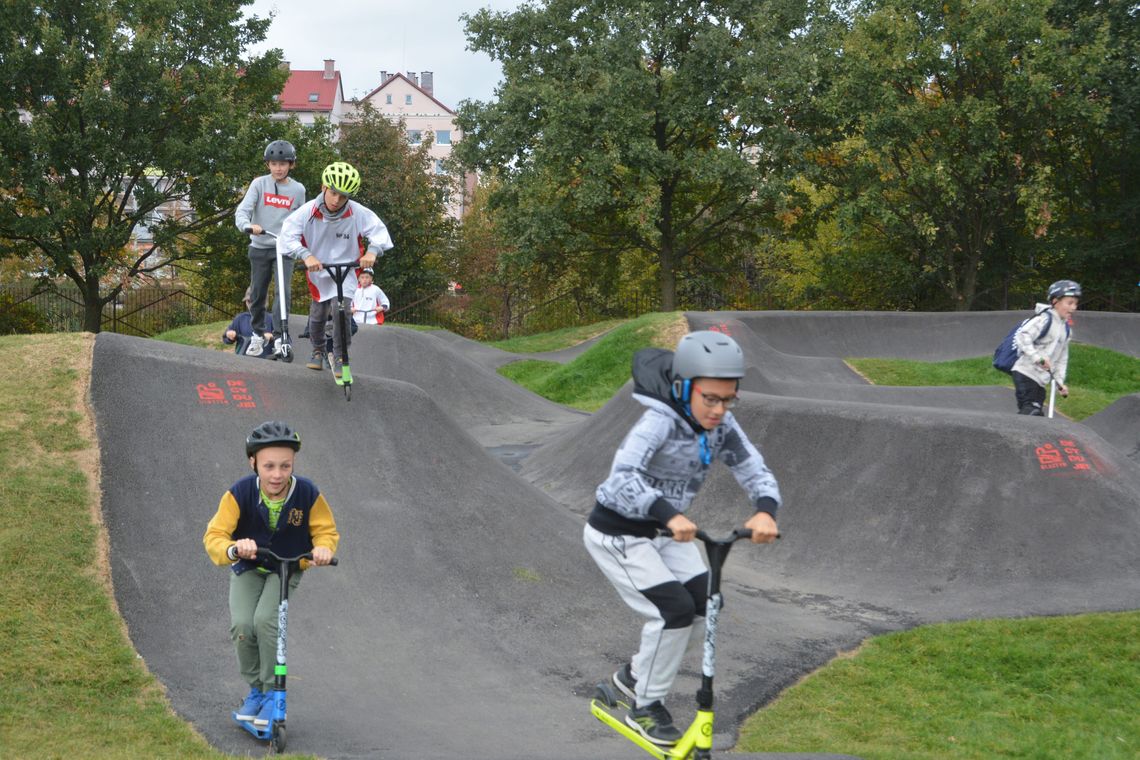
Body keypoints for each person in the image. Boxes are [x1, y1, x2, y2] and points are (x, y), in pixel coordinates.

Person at [583, 331, 781, 746]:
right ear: (682, 387)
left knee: (706, 605)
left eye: (729, 400)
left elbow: (752, 465)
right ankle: (645, 706)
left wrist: (765, 508)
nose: (719, 409)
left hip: (665, 533)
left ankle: (631, 678)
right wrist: (668, 514)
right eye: (710, 398)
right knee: (672, 610)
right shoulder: (658, 422)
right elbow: (622, 476)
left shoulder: (721, 425)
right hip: (619, 533)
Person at [203, 421, 339, 728]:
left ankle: (272, 693)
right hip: (248, 567)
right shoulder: (238, 493)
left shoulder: (307, 493)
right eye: (268, 466)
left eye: (285, 466)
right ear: (253, 463)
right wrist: (235, 548)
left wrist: (323, 549)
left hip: (286, 566)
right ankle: (256, 690)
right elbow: (215, 536)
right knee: (242, 625)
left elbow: (325, 530)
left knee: (265, 621)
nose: (277, 474)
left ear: (293, 464)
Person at [277, 161, 394, 377]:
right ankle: (318, 350)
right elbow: (287, 236)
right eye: (333, 193)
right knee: (319, 313)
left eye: (343, 196)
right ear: (323, 188)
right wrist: (305, 255)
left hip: (347, 270)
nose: (337, 200)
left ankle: (341, 355)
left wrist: (372, 252)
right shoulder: (307, 212)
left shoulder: (357, 212)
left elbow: (378, 232)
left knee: (342, 311)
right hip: (318, 269)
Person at [235, 140, 307, 358]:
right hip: (260, 245)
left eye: (283, 164)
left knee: (283, 292)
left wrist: (297, 241)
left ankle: (280, 336)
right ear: (268, 165)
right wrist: (248, 226)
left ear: (291, 165)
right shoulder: (259, 184)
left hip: (283, 248)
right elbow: (242, 211)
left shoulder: (298, 190)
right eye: (274, 164)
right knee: (257, 293)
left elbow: (300, 219)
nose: (278, 168)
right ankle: (257, 332)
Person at [1011, 280, 1080, 415]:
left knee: (1037, 417)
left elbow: (1062, 358)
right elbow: (1022, 336)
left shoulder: (1066, 330)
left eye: (1076, 304)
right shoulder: (1043, 320)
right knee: (1031, 411)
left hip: (1041, 380)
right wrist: (1037, 357)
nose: (1073, 308)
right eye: (1069, 303)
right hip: (1026, 372)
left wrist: (1060, 382)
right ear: (1055, 301)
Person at [221, 287, 276, 358]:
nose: (250, 304)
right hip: (243, 360)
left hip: (266, 362)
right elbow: (226, 338)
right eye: (248, 301)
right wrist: (229, 336)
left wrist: (272, 337)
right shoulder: (240, 319)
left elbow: (284, 341)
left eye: (253, 301)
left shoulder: (272, 319)